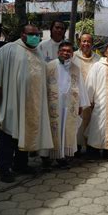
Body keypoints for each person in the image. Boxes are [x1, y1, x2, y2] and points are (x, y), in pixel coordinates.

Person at [0, 24, 53, 182]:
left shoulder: (38, 52)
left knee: (25, 133)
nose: (35, 37)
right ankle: (4, 167)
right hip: (13, 100)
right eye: (32, 34)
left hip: (32, 102)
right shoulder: (9, 49)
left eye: (38, 34)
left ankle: (20, 164)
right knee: (9, 133)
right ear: (22, 35)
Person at [41, 41, 89, 169]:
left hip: (68, 106)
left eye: (69, 51)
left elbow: (81, 88)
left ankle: (61, 157)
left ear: (72, 54)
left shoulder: (75, 69)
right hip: (53, 105)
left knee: (65, 131)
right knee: (51, 130)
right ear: (58, 52)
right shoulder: (49, 67)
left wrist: (80, 105)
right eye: (63, 51)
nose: (66, 53)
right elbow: (42, 88)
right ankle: (46, 158)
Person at [73, 33, 100, 155]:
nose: (86, 44)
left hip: (93, 97)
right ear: (80, 42)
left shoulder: (98, 59)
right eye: (84, 41)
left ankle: (91, 147)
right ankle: (76, 147)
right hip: (76, 96)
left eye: (88, 41)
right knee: (77, 122)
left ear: (92, 43)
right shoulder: (73, 57)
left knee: (92, 121)